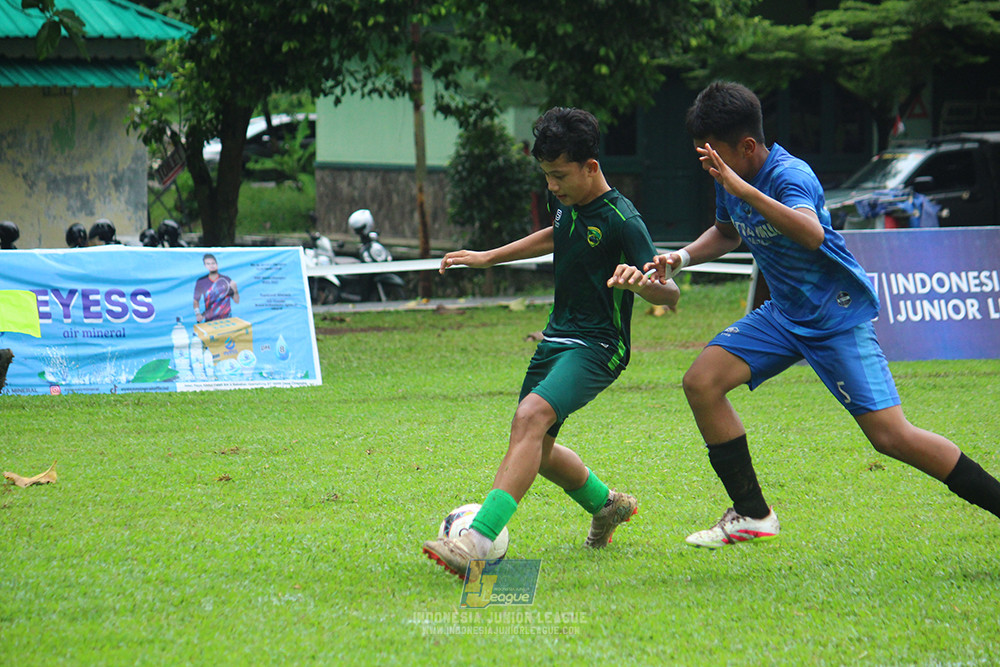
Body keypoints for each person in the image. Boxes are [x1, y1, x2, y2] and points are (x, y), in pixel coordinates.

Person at [643, 81, 1000, 549]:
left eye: (718, 159)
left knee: (891, 437)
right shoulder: (731, 177)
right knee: (702, 382)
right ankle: (753, 514)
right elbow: (727, 233)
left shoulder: (792, 175)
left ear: (748, 146)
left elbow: (810, 233)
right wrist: (681, 258)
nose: (713, 169)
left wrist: (741, 188)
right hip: (782, 316)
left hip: (836, 318)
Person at [422, 107, 680, 579]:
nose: (553, 187)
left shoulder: (624, 220)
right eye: (546, 177)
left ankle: (476, 542)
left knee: (530, 418)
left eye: (560, 176)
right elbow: (555, 233)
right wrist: (489, 257)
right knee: (535, 449)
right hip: (555, 338)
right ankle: (608, 505)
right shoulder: (567, 201)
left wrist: (640, 283)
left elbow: (671, 292)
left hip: (600, 347)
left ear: (591, 167)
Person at [193, 253, 240, 323]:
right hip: (210, 321)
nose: (211, 265)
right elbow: (196, 300)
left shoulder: (226, 280)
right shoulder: (201, 282)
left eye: (213, 263)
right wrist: (198, 314)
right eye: (208, 264)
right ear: (205, 266)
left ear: (217, 264)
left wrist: (235, 290)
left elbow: (236, 301)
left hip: (227, 320)